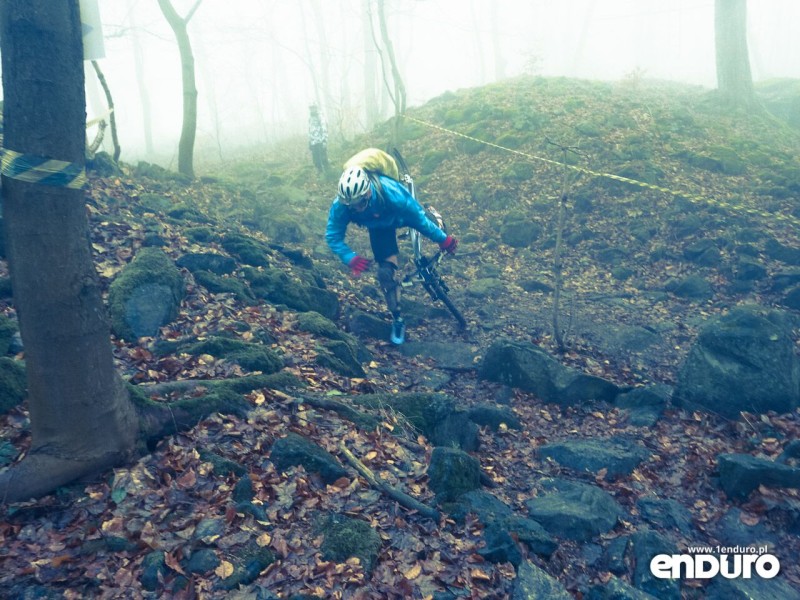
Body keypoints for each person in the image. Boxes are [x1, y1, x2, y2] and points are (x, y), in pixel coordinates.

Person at [325, 163, 458, 345]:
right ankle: (398, 319)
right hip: (380, 227)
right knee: (384, 274)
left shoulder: (391, 193)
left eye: (360, 203)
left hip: (402, 214)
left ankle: (437, 219)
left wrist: (443, 239)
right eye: (352, 206)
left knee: (427, 222)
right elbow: (333, 235)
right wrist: (350, 257)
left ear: (368, 193)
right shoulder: (343, 205)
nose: (356, 209)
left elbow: (418, 219)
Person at [308, 105, 328, 173]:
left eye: (313, 108)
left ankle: (328, 173)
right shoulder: (310, 118)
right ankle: (320, 172)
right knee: (316, 160)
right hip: (313, 142)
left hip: (320, 141)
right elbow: (309, 130)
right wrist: (310, 141)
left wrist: (324, 140)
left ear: (316, 108)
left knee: (323, 158)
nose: (312, 110)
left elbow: (324, 128)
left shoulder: (320, 116)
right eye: (311, 108)